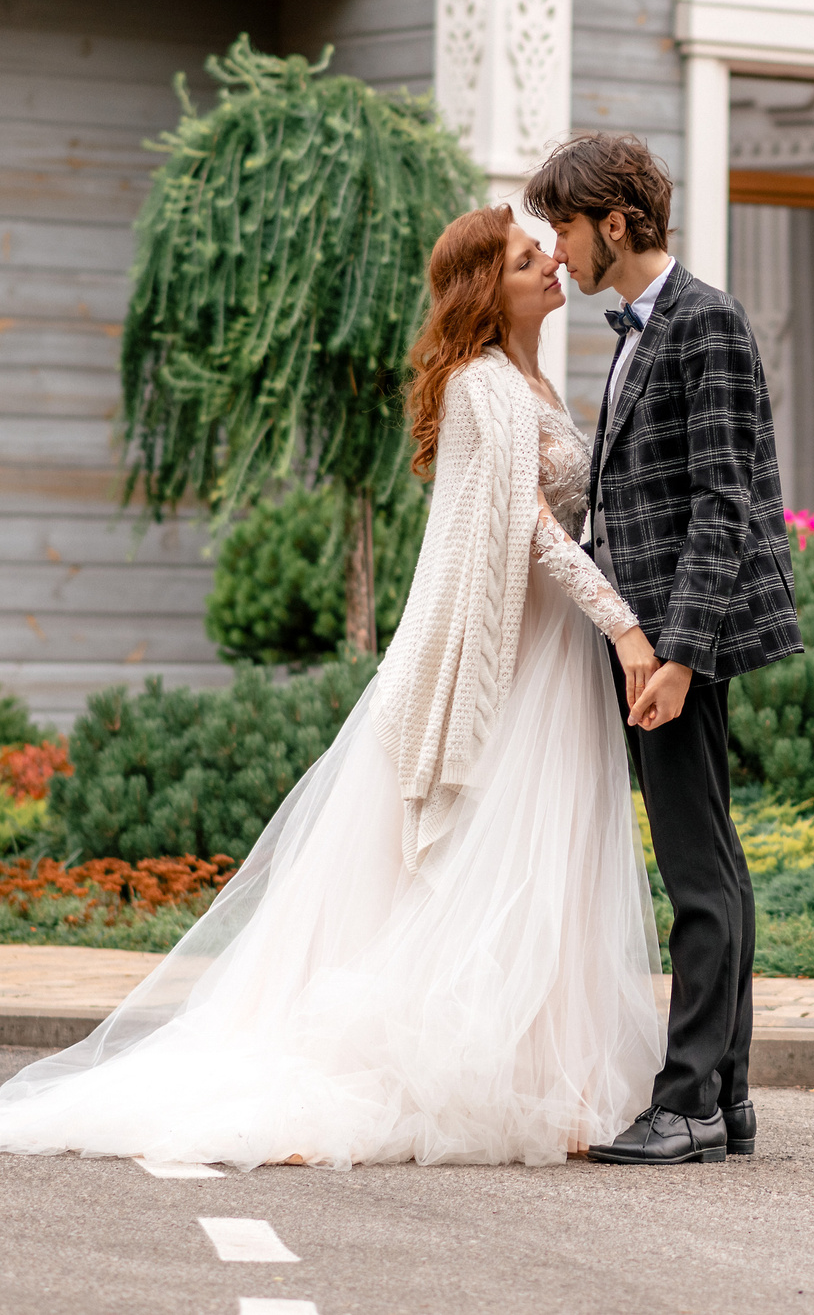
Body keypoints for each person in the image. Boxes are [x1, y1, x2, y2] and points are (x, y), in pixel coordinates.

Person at [0, 205, 667, 1170]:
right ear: (491, 287)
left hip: (549, 657)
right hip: (507, 661)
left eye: (544, 251)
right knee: (488, 864)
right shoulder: (485, 386)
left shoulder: (535, 381)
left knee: (544, 863)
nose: (551, 266)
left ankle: (543, 1081)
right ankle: (456, 1074)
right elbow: (528, 530)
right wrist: (625, 625)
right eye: (529, 259)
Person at [524, 132, 802, 1168]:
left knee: (696, 870)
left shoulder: (705, 322)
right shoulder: (640, 326)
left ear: (615, 220)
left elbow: (723, 507)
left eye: (562, 223)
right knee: (713, 861)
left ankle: (684, 1098)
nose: (557, 247)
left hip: (685, 639)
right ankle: (721, 1096)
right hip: (660, 634)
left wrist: (676, 655)